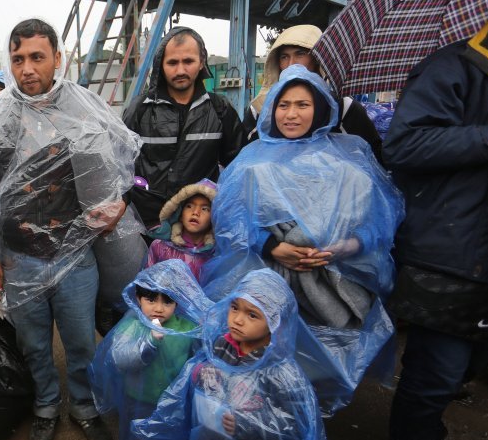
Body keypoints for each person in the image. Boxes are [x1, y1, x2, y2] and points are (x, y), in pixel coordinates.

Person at [0, 18, 141, 440]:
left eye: (37, 57)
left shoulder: (83, 109)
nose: (27, 68)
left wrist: (118, 203)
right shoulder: (0, 118)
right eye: (18, 59)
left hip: (75, 255)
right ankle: (46, 406)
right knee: (33, 344)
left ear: (57, 59)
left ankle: (83, 406)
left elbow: (118, 168)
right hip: (20, 256)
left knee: (81, 341)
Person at [382, 0, 488, 440]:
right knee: (435, 370)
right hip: (450, 249)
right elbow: (404, 144)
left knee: (471, 367)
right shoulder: (454, 67)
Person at [204, 65, 404, 415]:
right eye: (283, 105)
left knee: (309, 371)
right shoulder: (252, 162)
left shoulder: (348, 161)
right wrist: (272, 246)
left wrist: (346, 247)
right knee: (258, 358)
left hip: (330, 283)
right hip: (264, 279)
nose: (291, 114)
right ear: (271, 109)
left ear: (321, 109)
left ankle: (297, 419)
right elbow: (230, 219)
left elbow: (378, 223)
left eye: (302, 104)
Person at [132, 269, 333, 440]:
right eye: (234, 308)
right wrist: (199, 376)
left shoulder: (281, 374)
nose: (237, 320)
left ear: (276, 322)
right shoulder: (220, 347)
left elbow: (293, 430)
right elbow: (207, 383)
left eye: (252, 315)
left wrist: (247, 426)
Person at [89, 259, 211, 440]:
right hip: (139, 397)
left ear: (178, 302)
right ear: (138, 298)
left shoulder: (186, 328)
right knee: (138, 439)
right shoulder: (133, 324)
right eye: (151, 299)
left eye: (167, 301)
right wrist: (149, 343)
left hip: (172, 401)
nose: (159, 308)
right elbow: (121, 358)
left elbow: (196, 358)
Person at [121, 26, 244, 229]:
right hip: (148, 227)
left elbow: (239, 169)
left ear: (201, 62)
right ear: (161, 64)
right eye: (172, 62)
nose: (180, 70)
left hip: (199, 229)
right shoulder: (140, 109)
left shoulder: (219, 109)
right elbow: (120, 166)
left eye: (188, 61)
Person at [243, 25, 383, 159]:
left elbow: (372, 158)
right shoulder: (259, 109)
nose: (292, 64)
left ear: (318, 59)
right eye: (284, 57)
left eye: (300, 54)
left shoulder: (343, 108)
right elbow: (246, 159)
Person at [144, 178, 217, 278]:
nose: (195, 212)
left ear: (214, 218)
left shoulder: (215, 257)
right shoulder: (160, 247)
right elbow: (145, 285)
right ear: (180, 213)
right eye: (189, 206)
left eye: (205, 209)